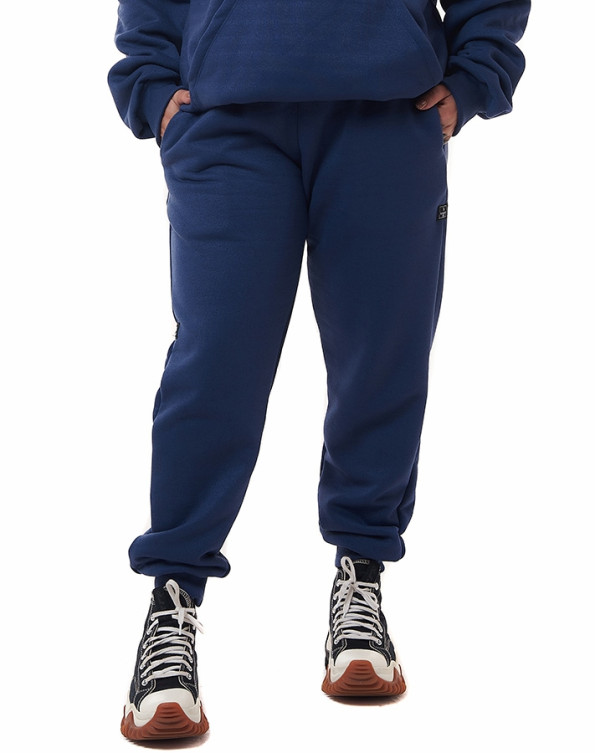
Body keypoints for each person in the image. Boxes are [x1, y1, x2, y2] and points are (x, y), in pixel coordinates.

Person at [108, 0, 530, 741]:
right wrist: (149, 82)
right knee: (215, 365)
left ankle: (361, 575)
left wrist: (475, 76)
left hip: (387, 112)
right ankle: (172, 597)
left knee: (382, 357)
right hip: (226, 114)